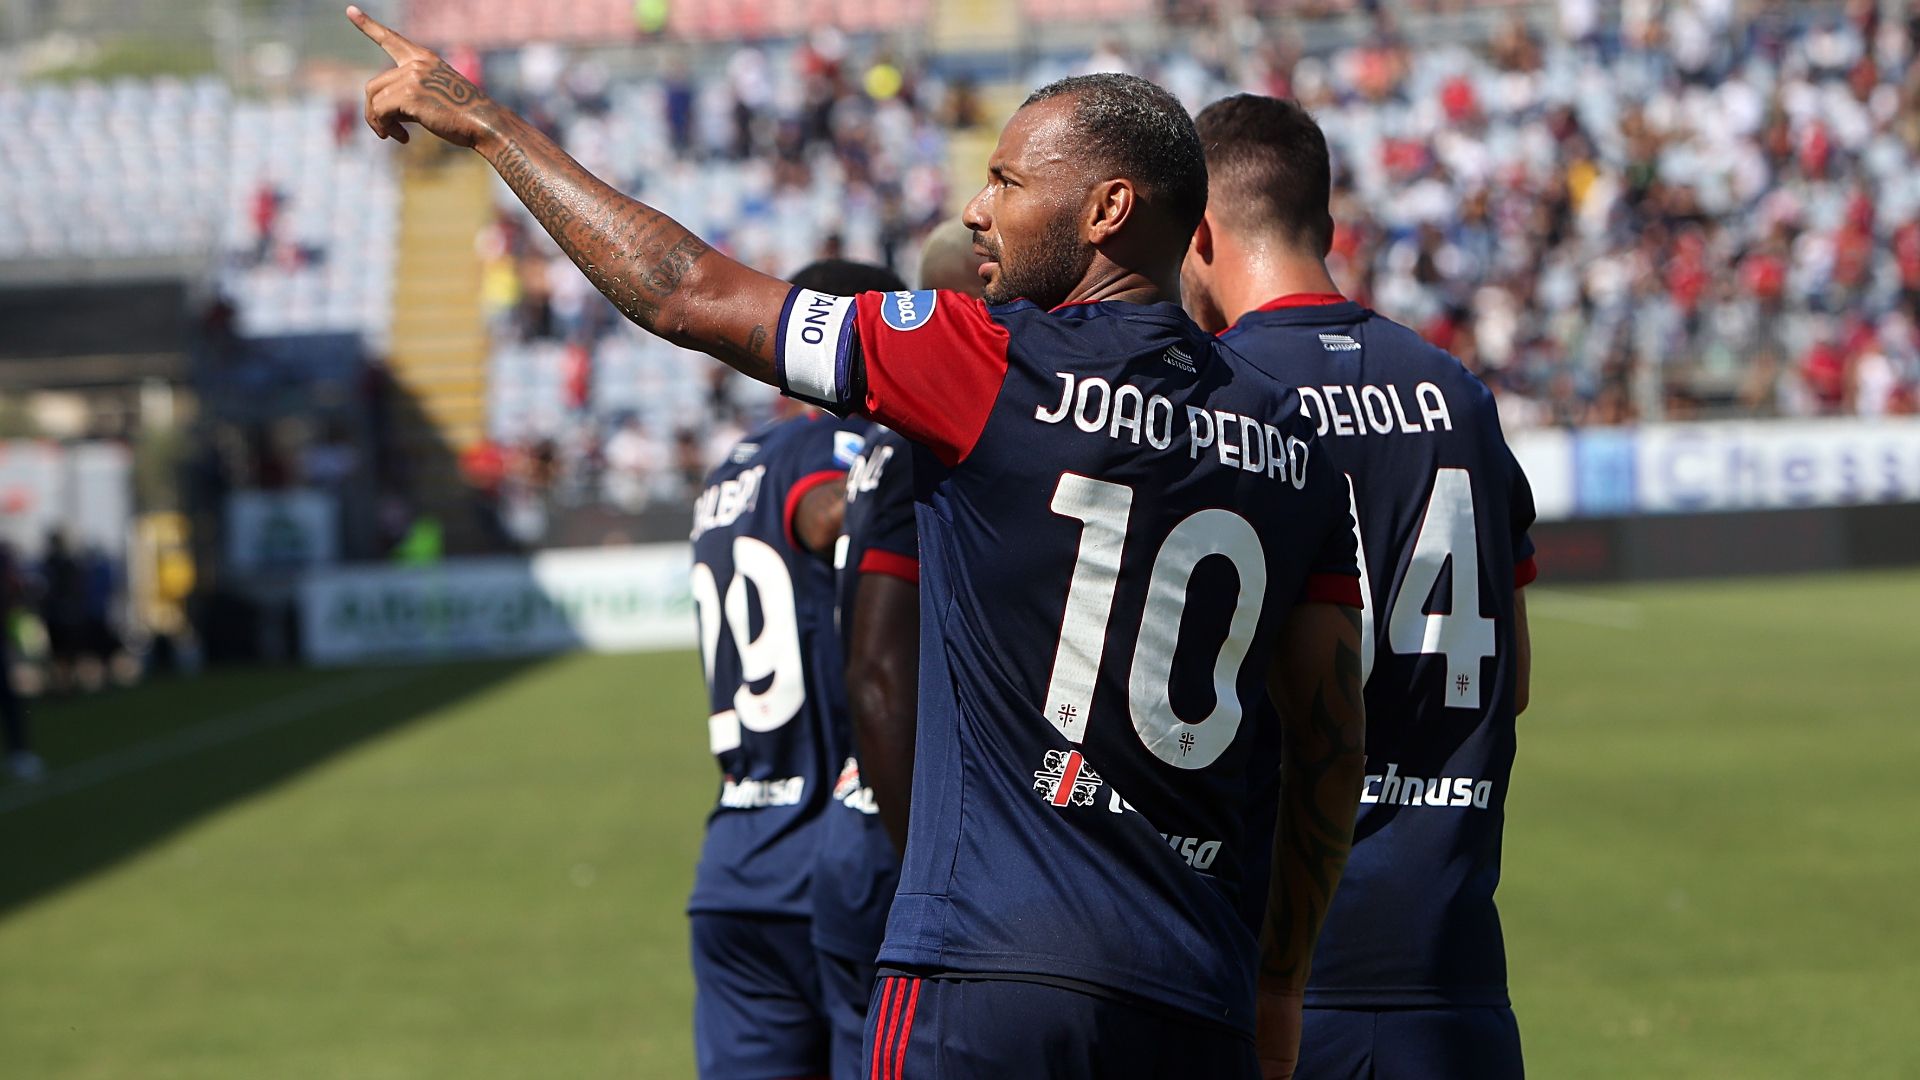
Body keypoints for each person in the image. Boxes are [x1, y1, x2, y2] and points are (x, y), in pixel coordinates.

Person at [348, 13, 1365, 1074]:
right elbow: (1331, 743)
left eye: (1010, 183)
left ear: (1109, 209)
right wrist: (1282, 980)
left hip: (983, 972)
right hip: (1196, 988)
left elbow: (685, 290)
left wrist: (487, 125)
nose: (979, 208)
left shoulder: (983, 362)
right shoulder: (1294, 433)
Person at [1182, 94, 1537, 1080]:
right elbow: (1511, 679)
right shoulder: (1458, 394)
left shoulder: (1214, 398)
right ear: (1326, 228)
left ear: (1199, 234)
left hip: (1270, 978)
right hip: (1452, 974)